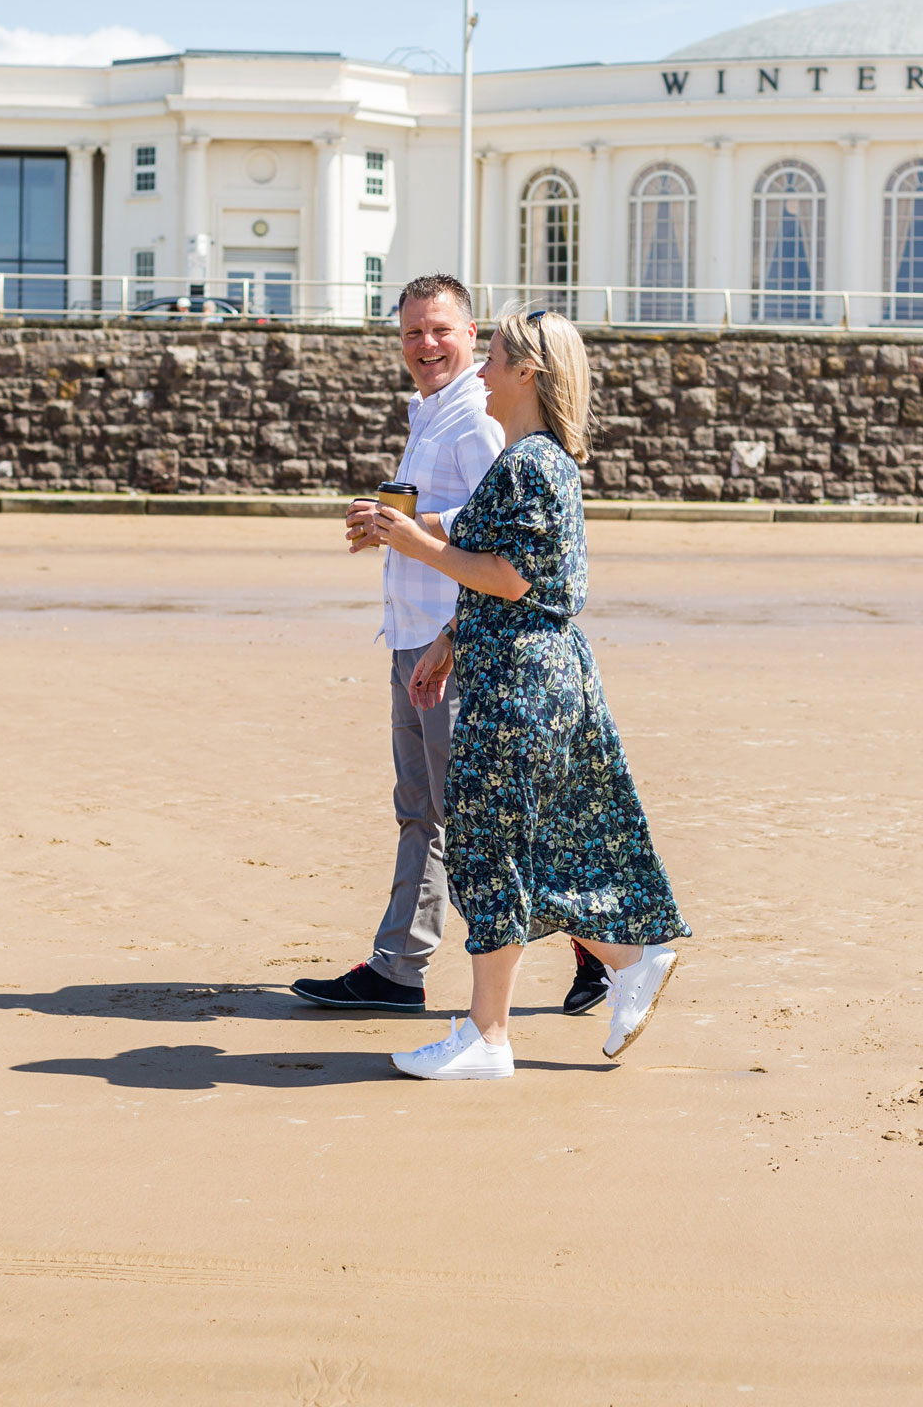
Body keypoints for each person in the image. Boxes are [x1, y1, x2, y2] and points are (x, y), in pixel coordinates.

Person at [371, 307, 691, 1080]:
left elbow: (510, 577)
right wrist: (448, 642)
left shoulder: (531, 463)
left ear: (527, 374)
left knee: (493, 845)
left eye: (496, 358)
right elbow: (510, 566)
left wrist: (415, 541)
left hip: (523, 684)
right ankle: (605, 971)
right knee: (511, 848)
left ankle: (500, 1031)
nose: (479, 370)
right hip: (526, 671)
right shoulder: (531, 460)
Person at [290, 277, 608, 1019]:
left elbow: (503, 520)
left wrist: (409, 531)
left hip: (461, 639)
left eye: (441, 331)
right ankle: (401, 966)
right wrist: (392, 527)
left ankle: (599, 942)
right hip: (420, 635)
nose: (426, 345)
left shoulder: (482, 412)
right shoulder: (432, 411)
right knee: (425, 811)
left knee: (477, 818)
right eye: (411, 333)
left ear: (472, 337)